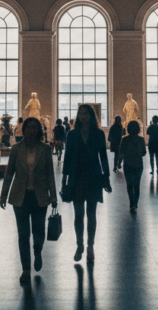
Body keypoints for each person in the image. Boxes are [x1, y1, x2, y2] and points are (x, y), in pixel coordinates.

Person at [0, 118, 58, 283]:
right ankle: (26, 268)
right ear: (23, 130)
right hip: (21, 196)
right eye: (29, 127)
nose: (31, 130)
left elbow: (50, 175)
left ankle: (38, 251)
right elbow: (9, 173)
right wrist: (4, 195)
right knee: (23, 234)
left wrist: (53, 197)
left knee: (39, 231)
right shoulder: (16, 149)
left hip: (39, 196)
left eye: (34, 128)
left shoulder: (45, 149)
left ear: (38, 130)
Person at [61, 104, 111, 263]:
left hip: (93, 177)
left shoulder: (98, 134)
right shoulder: (72, 134)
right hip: (77, 177)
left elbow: (103, 156)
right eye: (81, 113)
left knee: (91, 213)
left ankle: (90, 245)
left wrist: (106, 177)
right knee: (78, 214)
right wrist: (64, 181)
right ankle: (79, 244)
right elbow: (67, 158)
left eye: (86, 113)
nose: (83, 116)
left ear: (91, 115)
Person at [119, 120, 146, 213]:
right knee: (137, 184)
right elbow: (144, 153)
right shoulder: (141, 139)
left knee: (129, 184)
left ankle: (131, 201)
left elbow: (121, 151)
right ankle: (135, 203)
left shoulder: (124, 139)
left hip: (127, 164)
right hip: (138, 164)